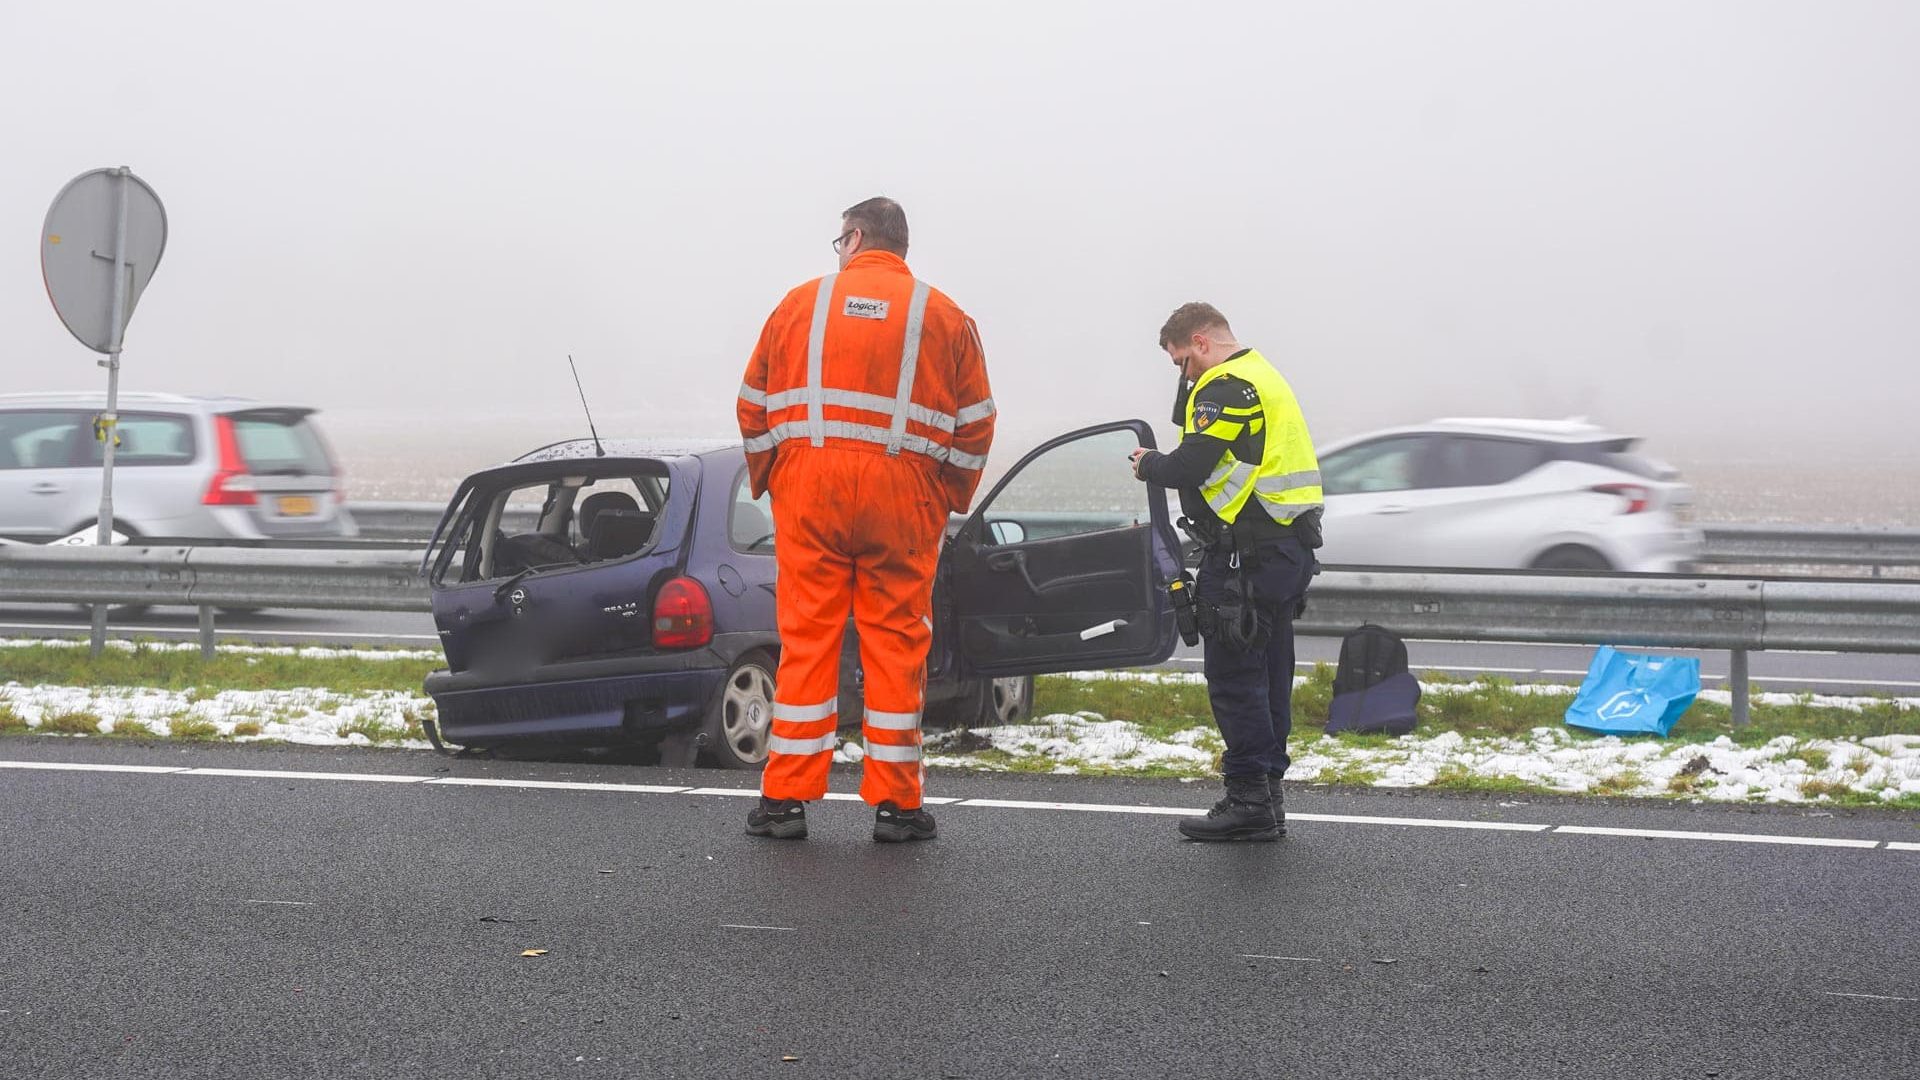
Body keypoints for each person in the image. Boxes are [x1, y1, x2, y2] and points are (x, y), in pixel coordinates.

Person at [736, 197, 996, 843]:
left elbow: (751, 405)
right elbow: (977, 423)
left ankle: (784, 802)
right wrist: (946, 497)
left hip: (811, 492)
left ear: (853, 237)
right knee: (897, 644)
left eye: (839, 241)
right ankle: (898, 808)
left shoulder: (797, 305)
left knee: (808, 640)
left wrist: (776, 478)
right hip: (903, 499)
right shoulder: (946, 316)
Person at [1129, 302, 1323, 842]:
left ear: (1201, 341)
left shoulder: (1224, 384)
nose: (1184, 374)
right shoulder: (1264, 374)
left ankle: (1248, 799)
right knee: (1269, 672)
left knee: (1235, 676)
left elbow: (1192, 464)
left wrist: (1148, 464)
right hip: (1284, 550)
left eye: (1181, 361)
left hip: (1245, 558)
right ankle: (1269, 792)